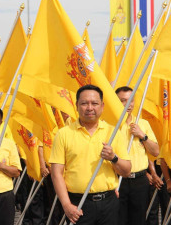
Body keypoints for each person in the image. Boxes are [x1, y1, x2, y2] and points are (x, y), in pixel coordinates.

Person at [50, 84, 131, 225]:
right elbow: (56, 173)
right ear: (76, 105)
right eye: (84, 103)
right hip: (78, 204)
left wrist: (114, 158)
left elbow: (126, 171)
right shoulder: (63, 134)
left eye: (94, 103)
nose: (89, 108)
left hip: (109, 204)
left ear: (102, 106)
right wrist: (66, 205)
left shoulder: (112, 133)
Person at [115, 86, 159, 225]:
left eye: (130, 100)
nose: (128, 104)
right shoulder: (111, 125)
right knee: (119, 219)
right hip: (117, 180)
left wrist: (142, 135)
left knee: (139, 219)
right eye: (122, 100)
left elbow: (156, 151)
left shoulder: (143, 123)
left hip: (139, 181)